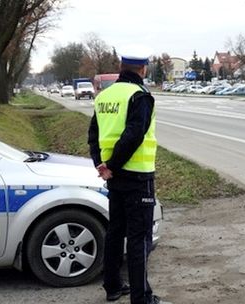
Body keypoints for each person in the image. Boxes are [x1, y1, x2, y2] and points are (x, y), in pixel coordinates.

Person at [88, 50, 167, 304]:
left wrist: (102, 165)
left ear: (122, 67)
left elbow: (93, 135)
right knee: (139, 238)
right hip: (137, 177)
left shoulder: (104, 96)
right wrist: (112, 164)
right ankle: (141, 298)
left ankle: (112, 286)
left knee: (115, 231)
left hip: (114, 177)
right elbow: (134, 136)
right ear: (143, 69)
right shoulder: (140, 97)